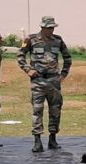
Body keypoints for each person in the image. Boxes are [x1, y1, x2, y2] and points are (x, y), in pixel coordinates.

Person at [17, 16, 70, 153]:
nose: (51, 30)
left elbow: (67, 57)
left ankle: (53, 139)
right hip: (38, 81)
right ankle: (37, 141)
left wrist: (63, 74)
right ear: (42, 27)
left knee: (55, 110)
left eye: (52, 27)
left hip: (53, 81)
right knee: (37, 110)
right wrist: (28, 70)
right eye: (48, 28)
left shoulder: (58, 40)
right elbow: (20, 56)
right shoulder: (31, 39)